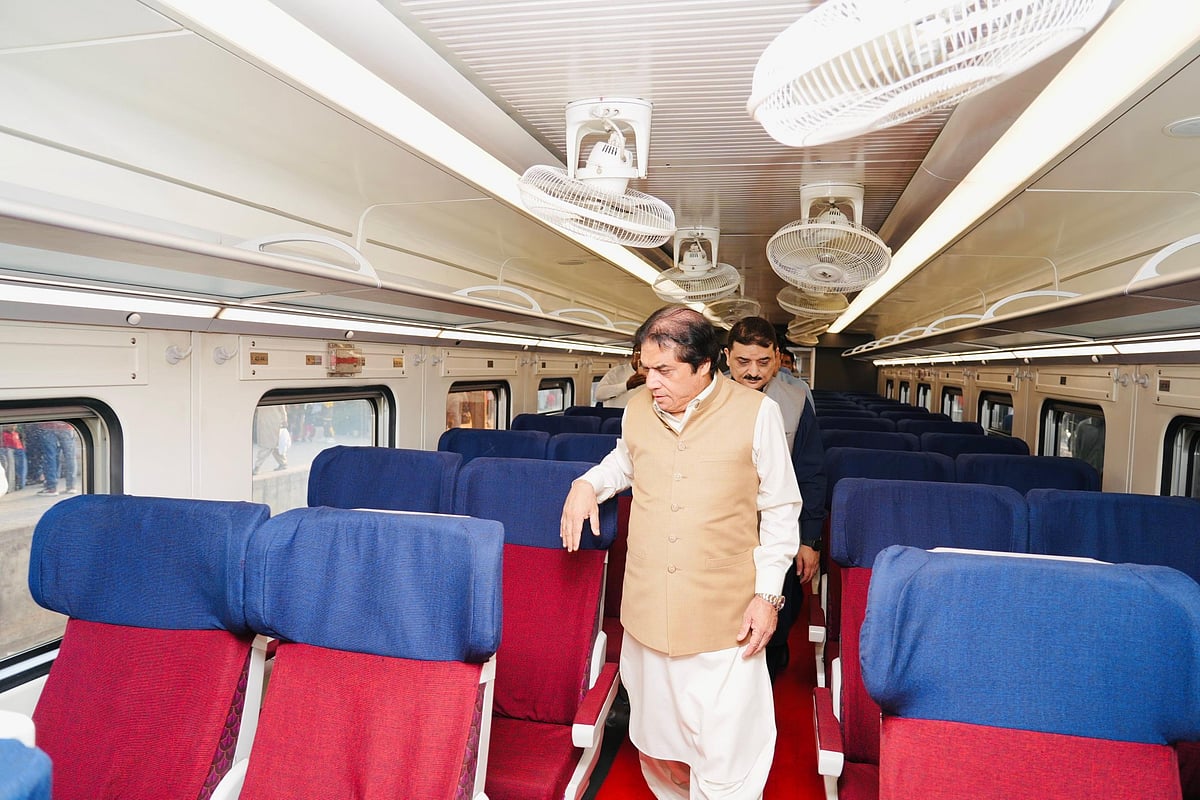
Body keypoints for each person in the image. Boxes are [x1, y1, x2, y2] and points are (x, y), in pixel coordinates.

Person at [561, 306, 801, 799]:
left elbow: (781, 510)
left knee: (727, 746)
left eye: (665, 370)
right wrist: (588, 483)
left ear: (705, 364)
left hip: (725, 616)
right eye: (646, 369)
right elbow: (624, 462)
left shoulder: (758, 414)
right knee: (657, 740)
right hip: (648, 611)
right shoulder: (635, 410)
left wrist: (768, 597)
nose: (651, 382)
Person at [724, 317, 827, 682]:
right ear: (726, 357)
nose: (752, 372)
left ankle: (773, 655)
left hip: (778, 526)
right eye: (742, 362)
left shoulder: (796, 400)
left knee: (781, 605)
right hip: (727, 526)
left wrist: (808, 540)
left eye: (763, 362)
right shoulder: (708, 399)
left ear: (778, 357)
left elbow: (811, 474)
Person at [32, 421, 78, 496]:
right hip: (66, 423)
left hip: (47, 424)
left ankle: (51, 487)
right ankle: (71, 486)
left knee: (50, 455)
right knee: (70, 456)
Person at [253, 405, 289, 474]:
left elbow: (282, 409)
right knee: (274, 445)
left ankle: (257, 466)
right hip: (269, 423)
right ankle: (283, 463)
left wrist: (284, 420)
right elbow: (282, 410)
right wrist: (284, 420)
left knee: (268, 446)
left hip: (272, 424)